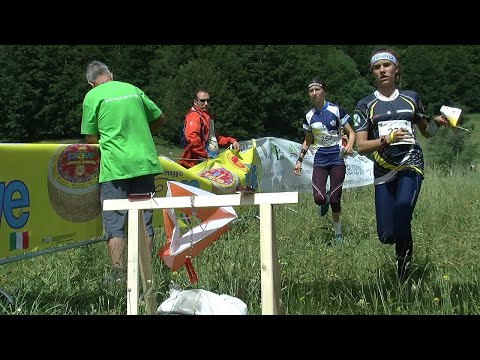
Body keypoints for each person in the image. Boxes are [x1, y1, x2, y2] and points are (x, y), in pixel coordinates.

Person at [353, 48, 447, 280]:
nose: (383, 70)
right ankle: (400, 240)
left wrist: (438, 122)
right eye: (377, 67)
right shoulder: (366, 105)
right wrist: (387, 139)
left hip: (410, 163)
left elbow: (427, 133)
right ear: (372, 73)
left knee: (403, 209)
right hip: (383, 168)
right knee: (386, 234)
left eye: (387, 65)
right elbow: (361, 146)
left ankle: (403, 273)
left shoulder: (411, 98)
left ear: (396, 69)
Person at [81, 60, 166, 281]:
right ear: (111, 73)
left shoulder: (93, 97)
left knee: (115, 221)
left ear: (91, 83)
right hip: (145, 163)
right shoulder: (133, 89)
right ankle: (145, 274)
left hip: (115, 167)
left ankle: (118, 275)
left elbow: (90, 138)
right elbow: (159, 118)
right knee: (144, 221)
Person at [293, 78, 355, 245]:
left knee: (335, 199)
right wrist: (299, 160)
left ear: (324, 91)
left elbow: (351, 132)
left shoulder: (335, 110)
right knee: (319, 198)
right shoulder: (309, 116)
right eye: (311, 91)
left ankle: (338, 233)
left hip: (337, 157)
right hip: (320, 158)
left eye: (317, 90)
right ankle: (324, 201)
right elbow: (307, 140)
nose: (314, 94)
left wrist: (349, 145)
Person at [179, 88, 240, 169]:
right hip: (196, 163)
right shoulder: (194, 116)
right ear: (195, 102)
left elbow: (213, 139)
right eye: (202, 101)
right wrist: (204, 154)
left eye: (208, 101)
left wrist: (231, 141)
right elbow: (192, 137)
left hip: (207, 161)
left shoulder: (206, 116)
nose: (206, 103)